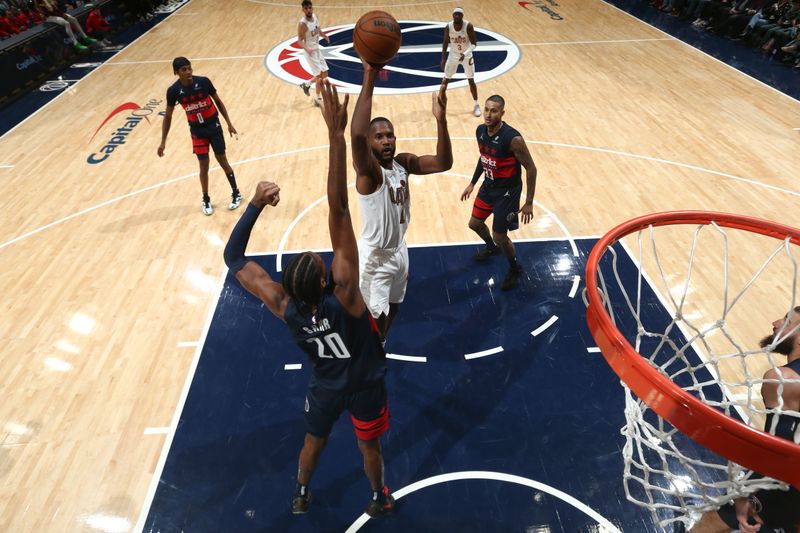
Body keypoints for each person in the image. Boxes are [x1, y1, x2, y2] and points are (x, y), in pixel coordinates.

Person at [223, 81, 395, 518]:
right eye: (319, 262)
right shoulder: (348, 295)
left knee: (312, 442)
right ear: (326, 280)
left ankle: (301, 492)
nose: (319, 257)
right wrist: (335, 139)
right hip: (365, 384)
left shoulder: (286, 308)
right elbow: (338, 208)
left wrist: (256, 206)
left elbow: (234, 258)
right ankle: (378, 497)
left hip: (326, 386)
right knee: (368, 445)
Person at [351, 60, 453, 341]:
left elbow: (443, 163)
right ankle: (372, 353)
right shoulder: (369, 174)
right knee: (375, 320)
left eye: (390, 135)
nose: (386, 141)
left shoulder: (403, 164)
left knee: (395, 307)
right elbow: (356, 135)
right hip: (375, 257)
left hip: (400, 250)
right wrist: (369, 76)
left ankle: (380, 343)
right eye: (379, 137)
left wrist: (440, 120)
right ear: (370, 143)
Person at [689, 309, 800, 533]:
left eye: (788, 321)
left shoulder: (783, 379)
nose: (775, 322)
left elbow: (773, 450)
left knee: (711, 522)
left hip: (789, 484)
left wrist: (745, 492)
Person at [460, 95, 537, 291]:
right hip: (488, 186)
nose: (488, 114)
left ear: (502, 113)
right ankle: (492, 249)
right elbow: (484, 157)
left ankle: (515, 268)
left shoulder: (513, 139)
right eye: (486, 109)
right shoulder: (480, 131)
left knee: (499, 235)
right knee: (474, 224)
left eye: (494, 111)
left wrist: (528, 202)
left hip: (507, 193)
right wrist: (472, 182)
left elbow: (531, 168)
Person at [158, 57, 242, 216]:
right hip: (197, 131)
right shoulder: (174, 91)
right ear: (176, 73)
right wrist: (163, 141)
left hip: (214, 127)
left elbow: (219, 102)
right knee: (203, 165)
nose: (188, 72)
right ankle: (206, 198)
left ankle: (236, 193)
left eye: (189, 68)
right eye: (184, 70)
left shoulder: (203, 82)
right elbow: (168, 116)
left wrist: (229, 123)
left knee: (222, 160)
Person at [440, 7, 481, 117]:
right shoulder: (448, 26)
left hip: (466, 56)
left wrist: (465, 53)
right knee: (445, 80)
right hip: (453, 55)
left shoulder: (468, 26)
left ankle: (476, 104)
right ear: (453, 15)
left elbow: (474, 44)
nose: (457, 16)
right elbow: (445, 42)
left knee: (471, 80)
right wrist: (443, 58)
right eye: (455, 14)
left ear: (462, 16)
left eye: (459, 14)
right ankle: (441, 105)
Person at [297, 0, 330, 107]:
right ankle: (318, 98)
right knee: (320, 76)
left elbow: (317, 29)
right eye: (306, 8)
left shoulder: (315, 17)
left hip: (317, 49)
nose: (308, 10)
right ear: (303, 10)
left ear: (312, 8)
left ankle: (306, 84)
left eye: (310, 7)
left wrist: (324, 35)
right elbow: (299, 41)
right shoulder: (303, 24)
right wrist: (307, 49)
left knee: (325, 74)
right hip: (310, 52)